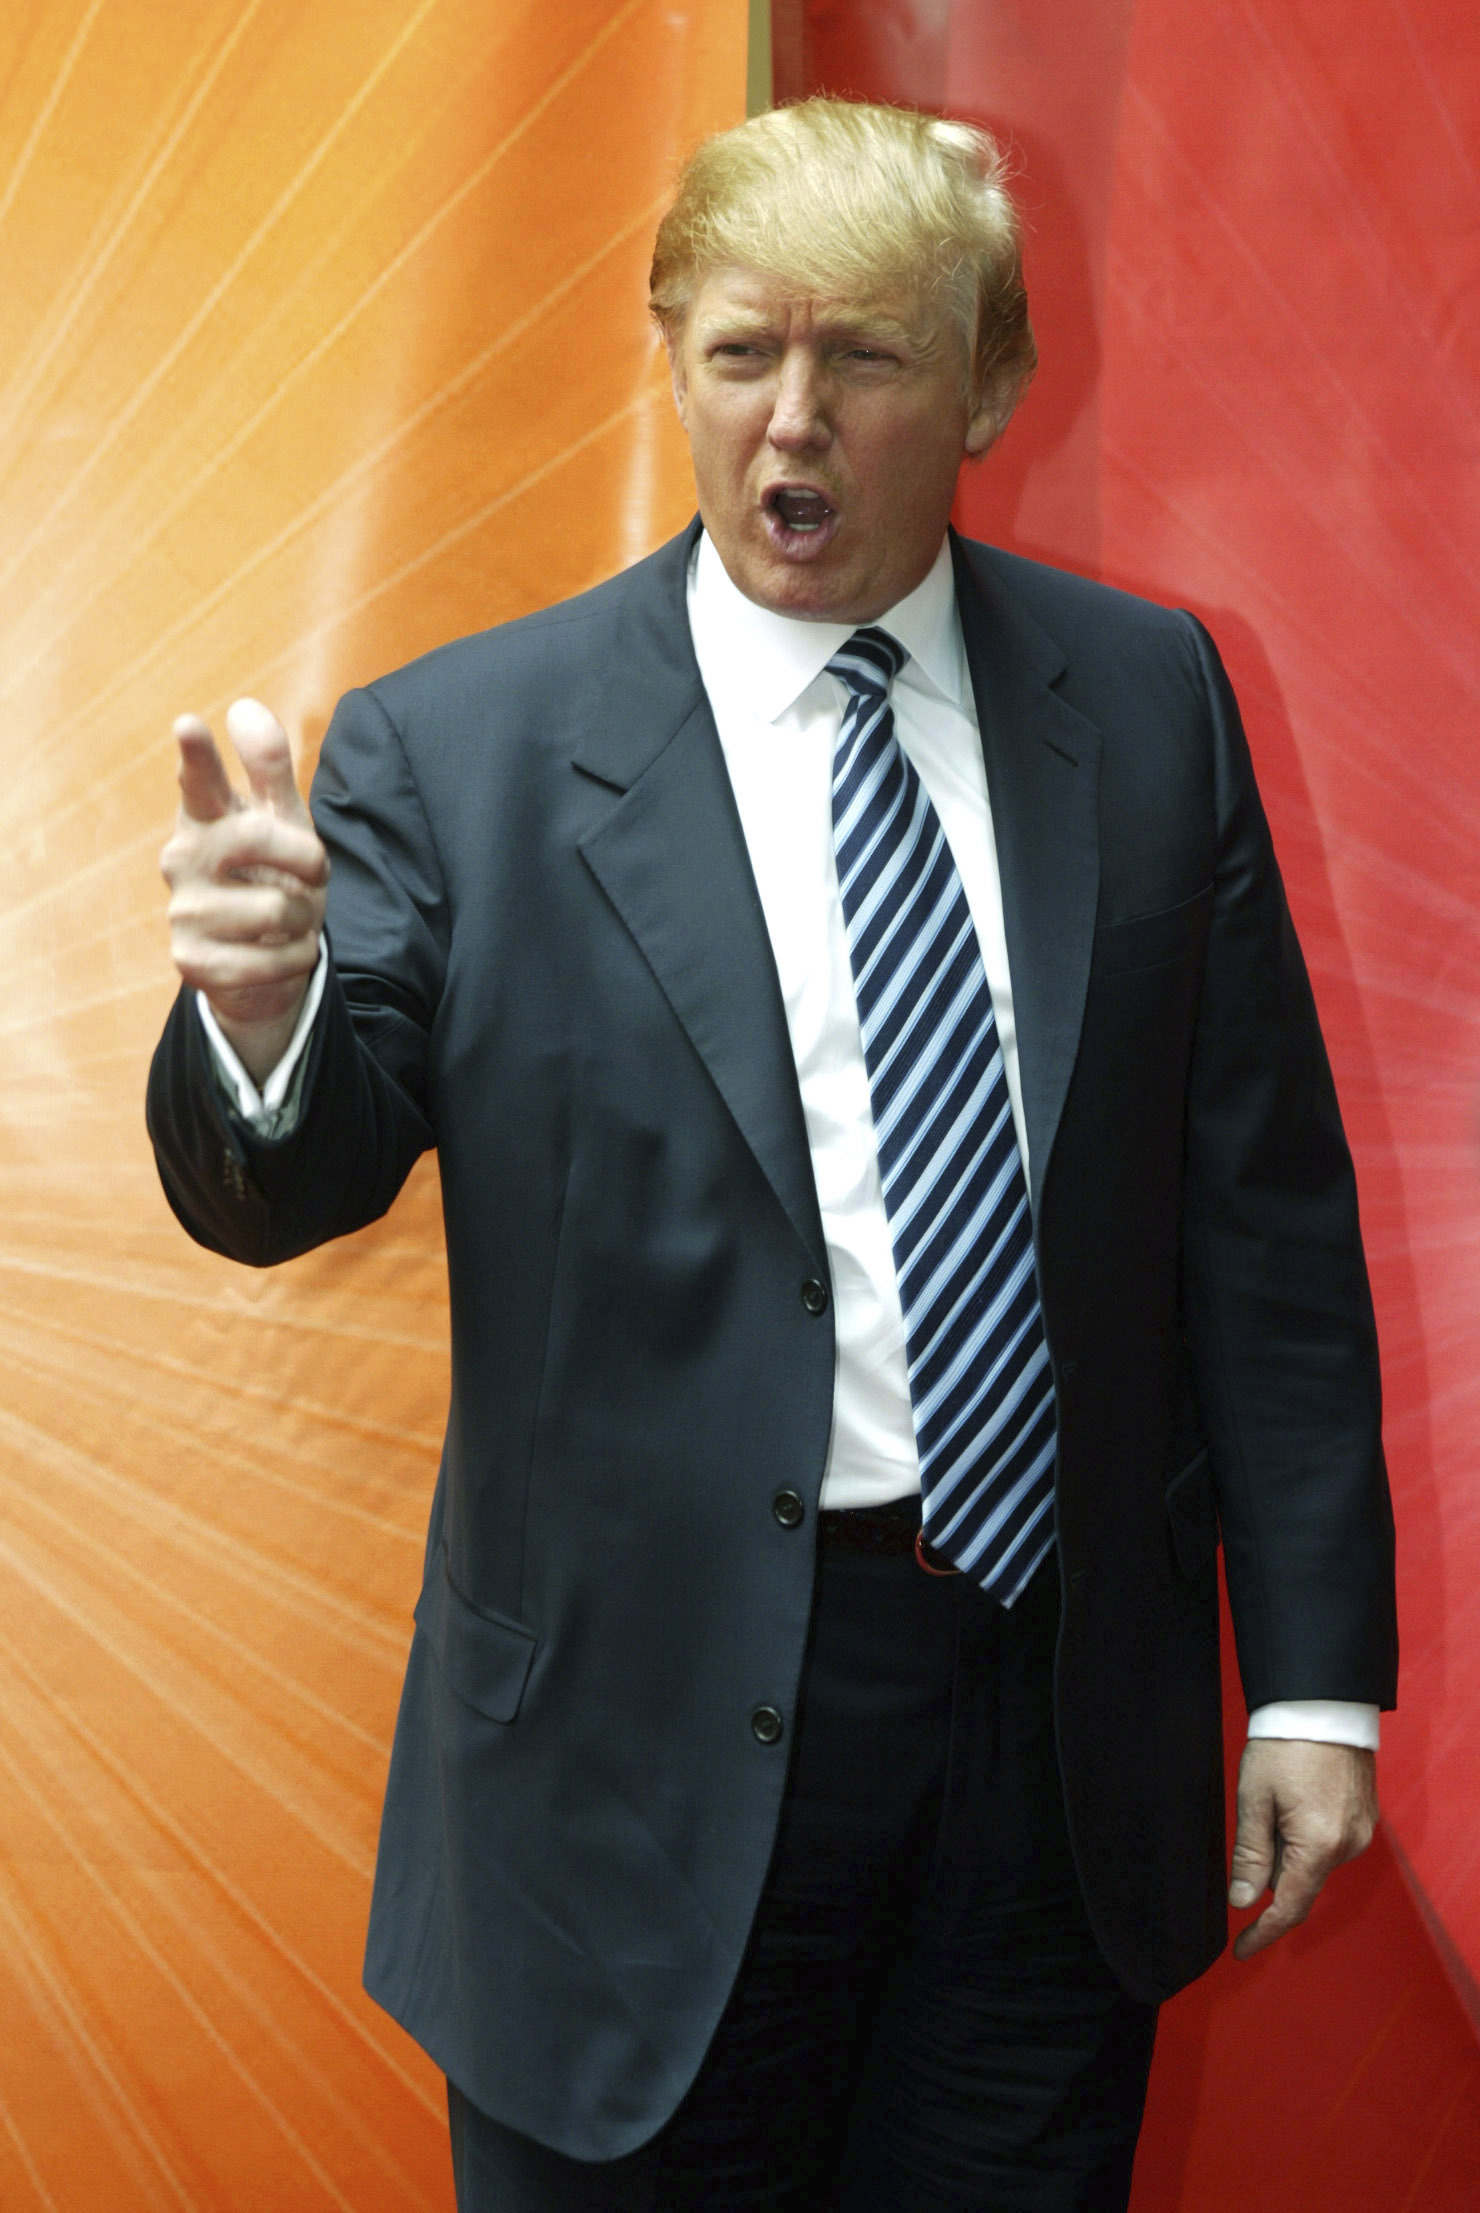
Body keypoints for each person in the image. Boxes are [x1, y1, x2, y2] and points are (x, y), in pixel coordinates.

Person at [149, 98, 1397, 2213]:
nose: (789, 419)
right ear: (673, 363)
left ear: (986, 382)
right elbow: (293, 1176)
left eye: (863, 356)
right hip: (621, 1793)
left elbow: (1257, 1221)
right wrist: (262, 1021)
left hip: (1046, 1757)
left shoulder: (1150, 699)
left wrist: (1316, 1685)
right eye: (739, 353)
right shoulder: (460, 749)